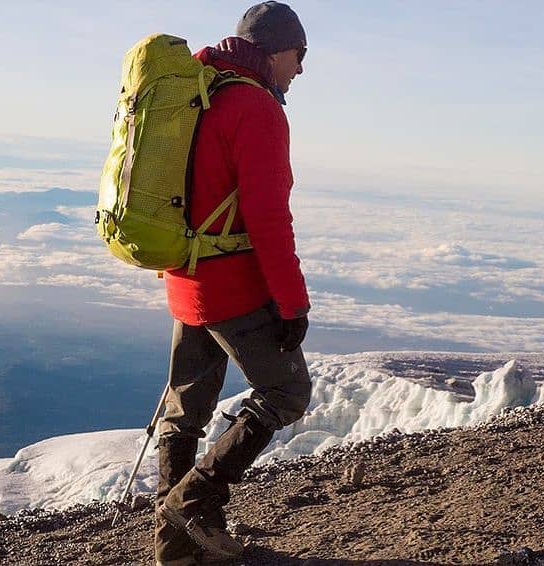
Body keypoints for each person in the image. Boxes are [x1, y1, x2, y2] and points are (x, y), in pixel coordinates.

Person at [154, 3, 313, 564]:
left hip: (184, 275)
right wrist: (292, 303)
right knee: (288, 391)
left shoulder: (200, 94)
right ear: (274, 51)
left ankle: (175, 553)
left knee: (185, 412)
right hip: (230, 283)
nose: (300, 69)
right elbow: (268, 216)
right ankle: (194, 500)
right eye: (299, 55)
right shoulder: (257, 108)